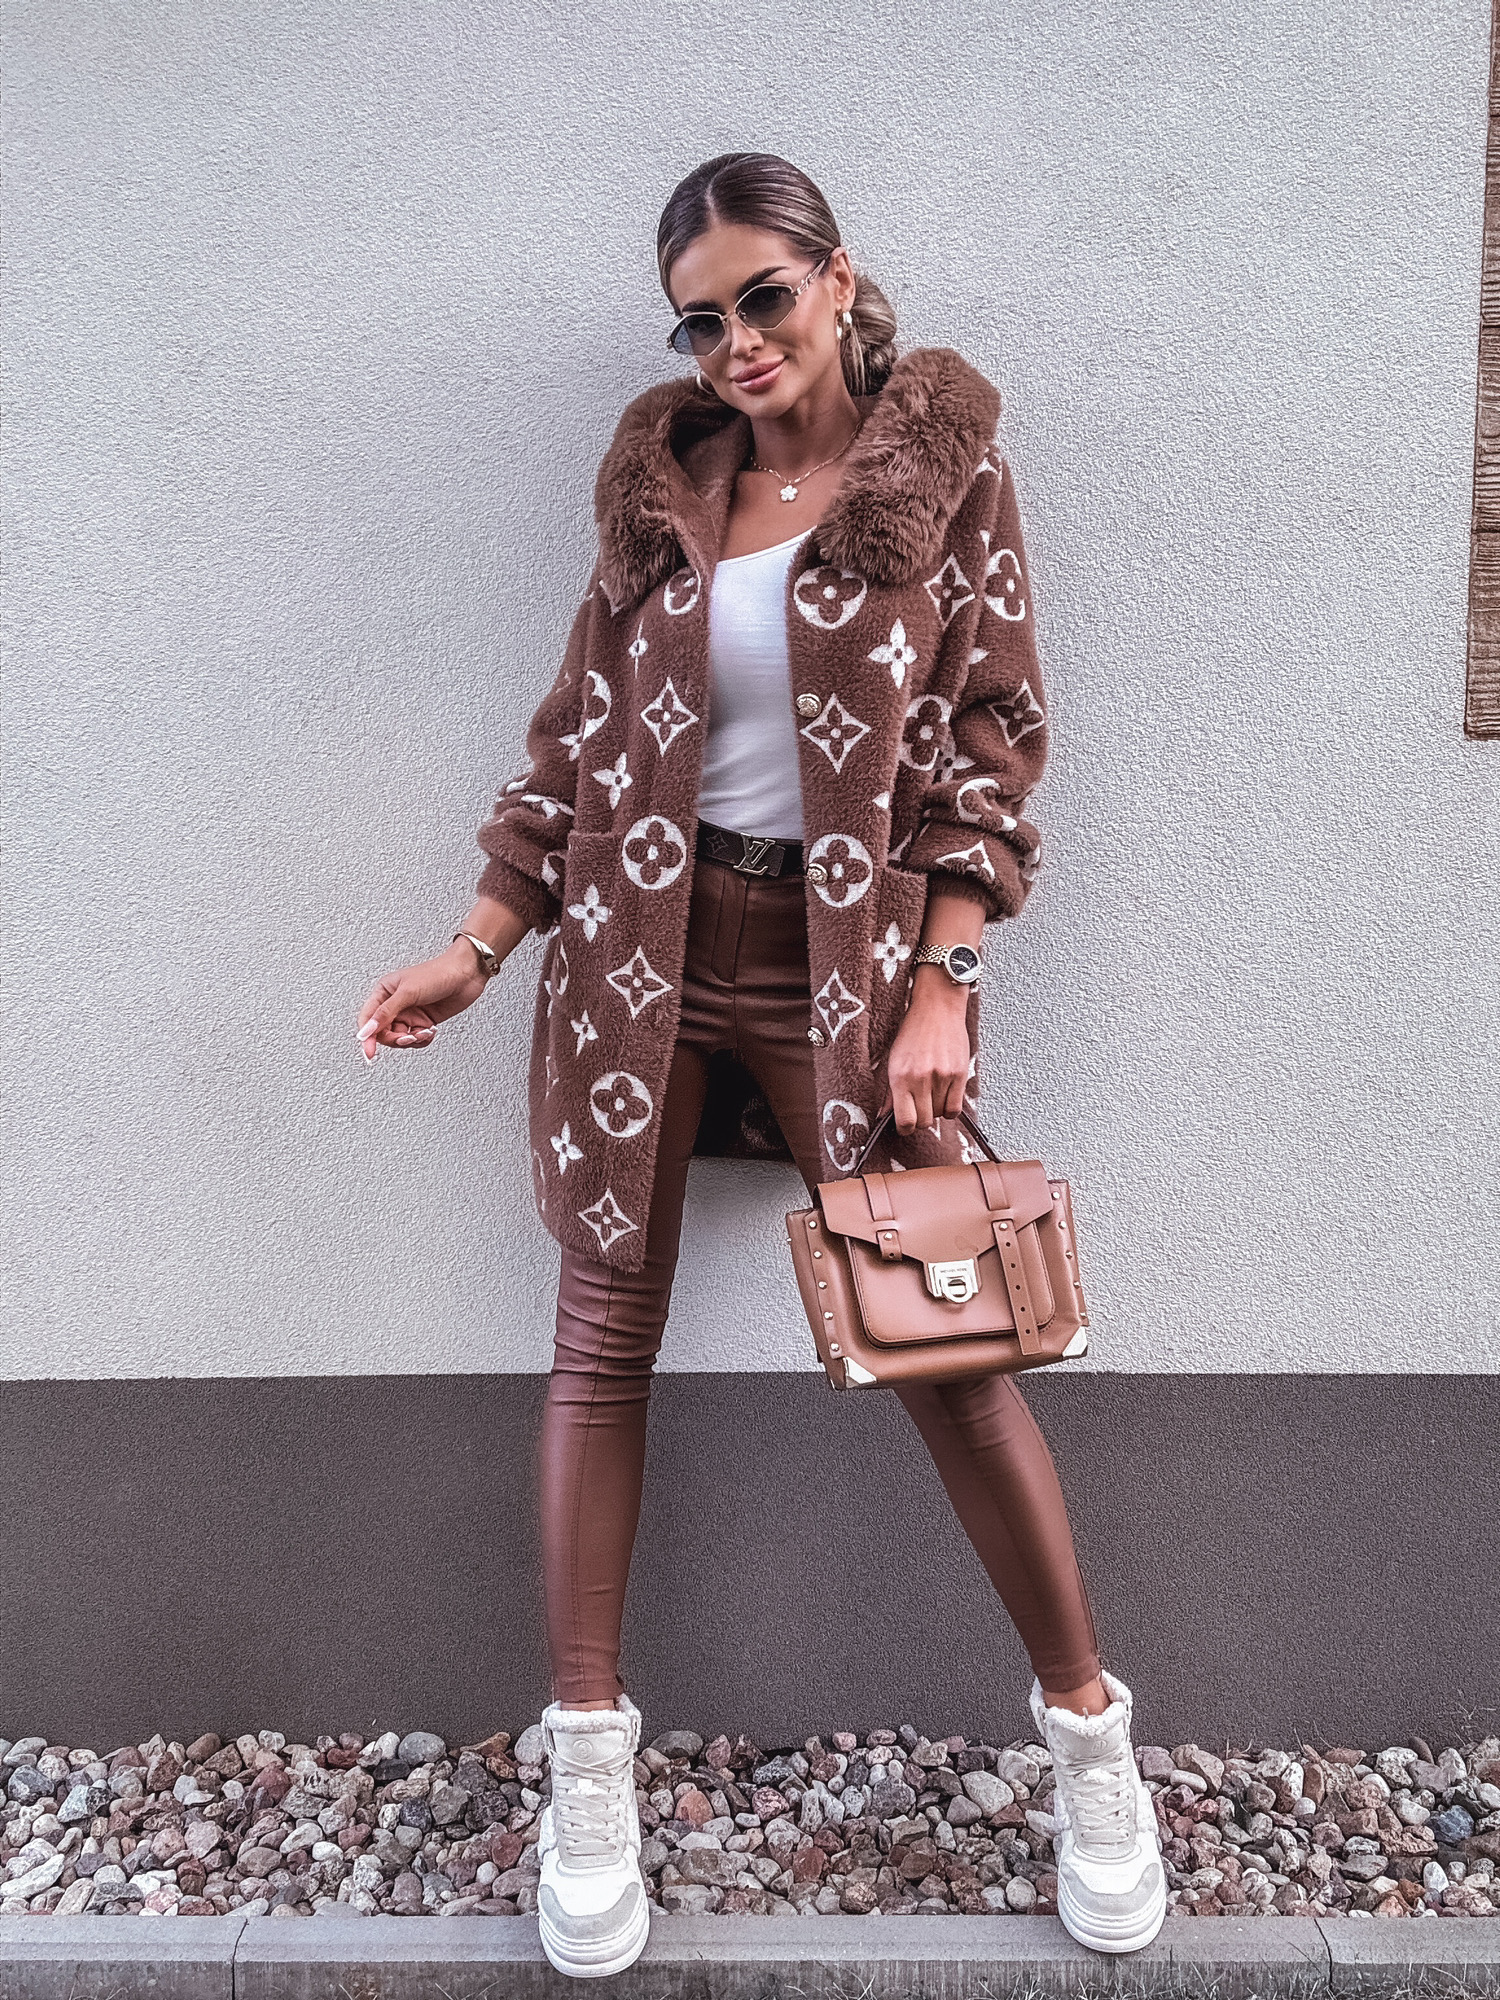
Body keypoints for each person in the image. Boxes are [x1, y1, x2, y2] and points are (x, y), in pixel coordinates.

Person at [356, 151, 1165, 1977]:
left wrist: (947, 981)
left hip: (845, 977)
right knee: (598, 1341)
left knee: (951, 1351)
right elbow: (573, 744)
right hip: (639, 959)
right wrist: (479, 944)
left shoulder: (942, 472)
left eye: (764, 299)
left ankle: (1092, 1745)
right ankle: (586, 1766)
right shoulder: (665, 491)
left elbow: (993, 739)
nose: (735, 342)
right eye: (700, 319)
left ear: (837, 278)